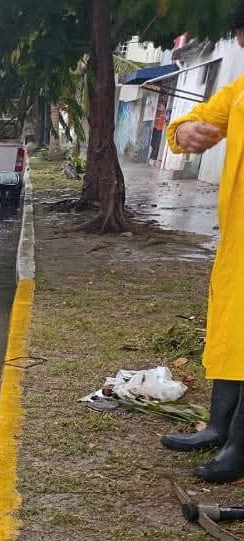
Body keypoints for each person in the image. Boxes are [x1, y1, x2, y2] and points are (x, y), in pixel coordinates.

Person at [161, 4, 244, 484]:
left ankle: (239, 447)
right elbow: (192, 124)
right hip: (237, 239)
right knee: (231, 329)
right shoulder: (239, 92)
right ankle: (219, 427)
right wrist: (184, 131)